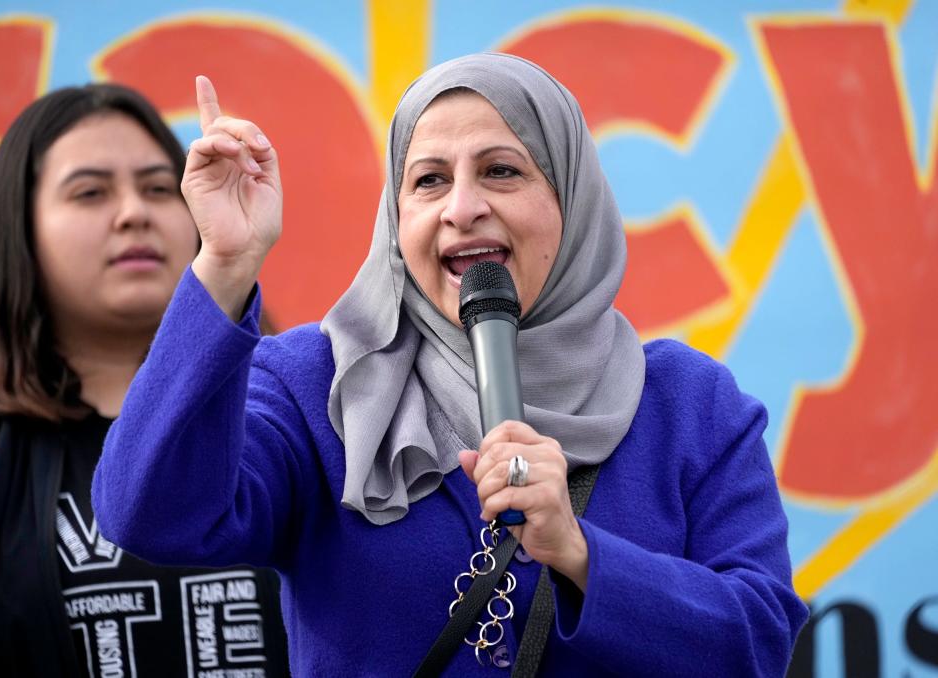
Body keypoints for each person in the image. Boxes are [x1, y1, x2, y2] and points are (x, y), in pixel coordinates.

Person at [92, 54, 809, 676]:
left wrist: (580, 552)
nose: (461, 208)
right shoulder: (315, 382)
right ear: (396, 220)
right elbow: (148, 514)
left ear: (572, 199)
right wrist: (224, 263)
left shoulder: (689, 404)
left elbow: (757, 645)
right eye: (428, 180)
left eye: (501, 171)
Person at [0, 84, 290, 676]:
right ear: (19, 227)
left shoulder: (289, 411)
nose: (134, 213)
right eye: (90, 192)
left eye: (156, 188)